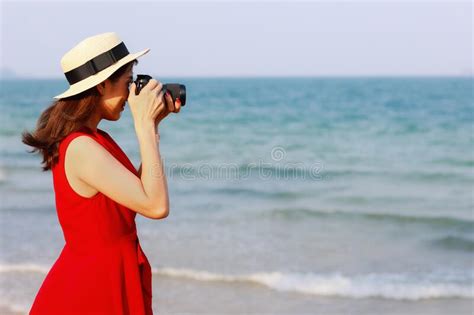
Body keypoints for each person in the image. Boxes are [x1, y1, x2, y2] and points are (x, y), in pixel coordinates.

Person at [22, 32, 180, 314]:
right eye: (128, 81)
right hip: (92, 287)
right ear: (102, 85)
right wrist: (142, 126)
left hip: (108, 274)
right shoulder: (82, 147)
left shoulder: (96, 139)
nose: (132, 91)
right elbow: (156, 206)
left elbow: (144, 193)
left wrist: (153, 125)